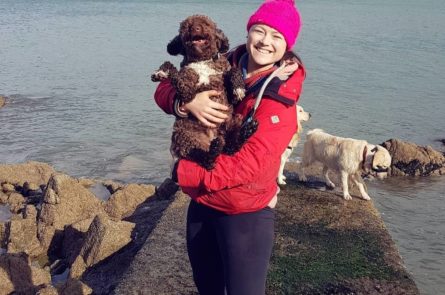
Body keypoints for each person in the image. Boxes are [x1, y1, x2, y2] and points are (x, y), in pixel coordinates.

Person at [154, 0, 305, 294]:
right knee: (207, 287)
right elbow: (162, 88)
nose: (265, 42)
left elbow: (248, 165)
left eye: (277, 37)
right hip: (202, 205)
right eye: (260, 31)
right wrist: (184, 103)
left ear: (287, 46)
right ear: (248, 32)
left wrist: (182, 172)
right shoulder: (222, 61)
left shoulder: (280, 101)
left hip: (244, 213)